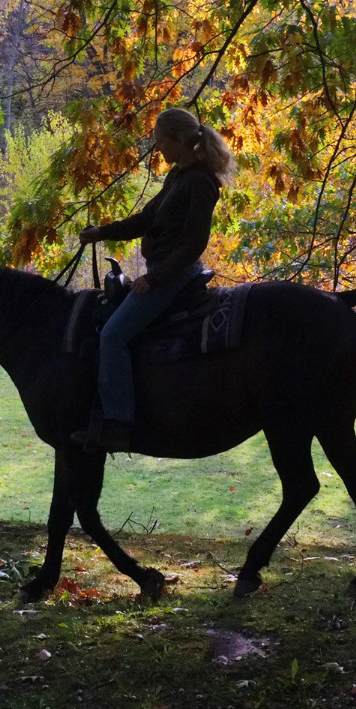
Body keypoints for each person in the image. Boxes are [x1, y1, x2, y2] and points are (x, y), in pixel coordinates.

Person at [71, 107, 235, 455]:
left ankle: (117, 425)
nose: (157, 149)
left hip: (176, 273)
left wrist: (156, 278)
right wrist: (102, 232)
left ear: (178, 141)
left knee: (113, 335)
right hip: (167, 270)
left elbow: (193, 243)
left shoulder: (201, 182)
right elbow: (147, 218)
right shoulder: (178, 176)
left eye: (161, 142)